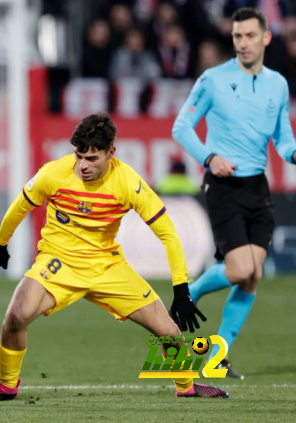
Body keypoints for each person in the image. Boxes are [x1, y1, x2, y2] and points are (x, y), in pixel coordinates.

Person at [0, 113, 228, 402]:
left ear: (111, 152)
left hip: (107, 265)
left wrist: (181, 288)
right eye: (79, 157)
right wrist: (0, 243)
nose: (83, 166)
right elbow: (20, 205)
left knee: (170, 333)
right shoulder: (54, 173)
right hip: (59, 261)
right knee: (15, 316)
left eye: (92, 158)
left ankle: (186, 388)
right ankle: (6, 386)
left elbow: (168, 234)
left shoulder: (128, 182)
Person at [172, 7, 296, 379]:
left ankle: (216, 358)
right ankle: (189, 292)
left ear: (265, 38)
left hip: (257, 187)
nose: (242, 43)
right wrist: (209, 157)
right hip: (223, 186)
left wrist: (293, 153)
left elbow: (282, 137)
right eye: (237, 37)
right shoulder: (213, 79)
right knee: (242, 268)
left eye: (249, 36)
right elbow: (182, 127)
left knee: (252, 276)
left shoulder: (278, 83)